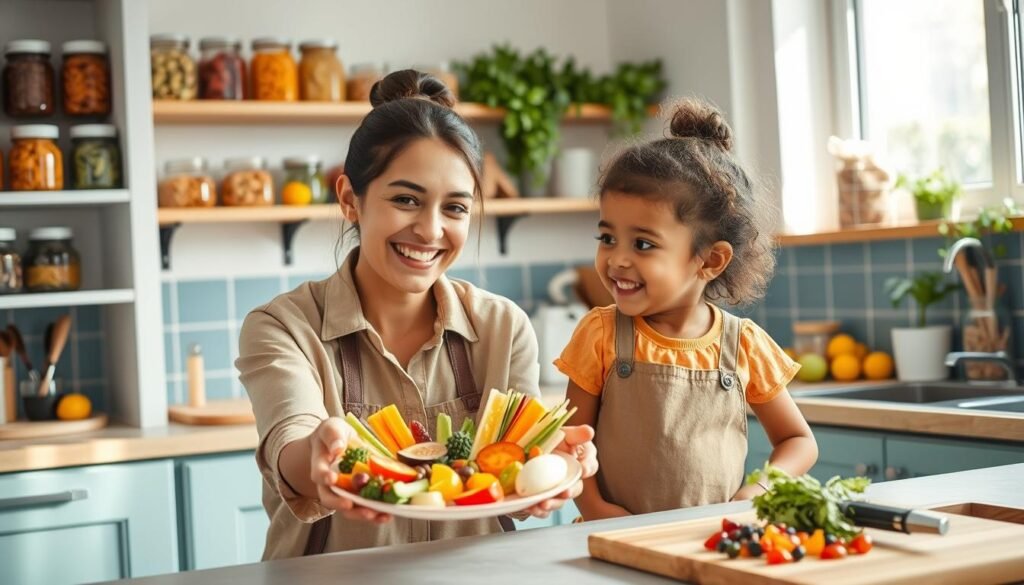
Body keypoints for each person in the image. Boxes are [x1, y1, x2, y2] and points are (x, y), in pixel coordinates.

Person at [237, 70, 597, 558]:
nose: (430, 231)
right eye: (405, 199)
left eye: (455, 208)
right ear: (350, 199)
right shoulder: (284, 327)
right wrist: (318, 456)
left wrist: (550, 459)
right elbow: (292, 442)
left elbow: (516, 456)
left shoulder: (503, 327)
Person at [556, 98, 817, 521]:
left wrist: (759, 489)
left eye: (642, 244)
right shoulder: (601, 333)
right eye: (607, 238)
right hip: (611, 539)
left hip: (711, 540)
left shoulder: (742, 344)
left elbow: (799, 441)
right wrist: (597, 508)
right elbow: (570, 442)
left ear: (710, 261)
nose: (617, 259)